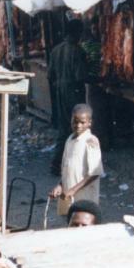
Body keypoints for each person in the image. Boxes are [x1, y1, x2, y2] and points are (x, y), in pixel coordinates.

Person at [48, 20, 88, 173]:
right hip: (73, 91)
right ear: (77, 33)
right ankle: (70, 164)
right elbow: (80, 76)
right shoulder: (77, 51)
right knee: (78, 126)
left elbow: (50, 75)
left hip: (59, 91)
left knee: (65, 127)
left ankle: (57, 163)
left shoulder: (55, 50)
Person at [49, 103, 103, 206]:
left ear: (89, 123)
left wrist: (73, 190)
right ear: (71, 120)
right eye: (75, 122)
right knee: (69, 220)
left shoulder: (91, 141)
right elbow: (67, 169)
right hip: (68, 196)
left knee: (83, 220)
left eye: (82, 122)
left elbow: (95, 173)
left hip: (84, 197)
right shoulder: (70, 139)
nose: (78, 126)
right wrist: (60, 185)